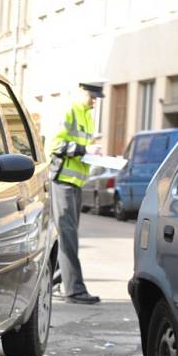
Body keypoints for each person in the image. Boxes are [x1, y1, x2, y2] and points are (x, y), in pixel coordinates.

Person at [49, 82, 104, 304]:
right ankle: (74, 290)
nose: (94, 100)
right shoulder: (69, 110)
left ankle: (56, 282)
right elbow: (55, 146)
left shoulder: (87, 115)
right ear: (81, 90)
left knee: (66, 235)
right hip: (62, 181)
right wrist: (85, 150)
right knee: (67, 235)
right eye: (92, 95)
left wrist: (93, 153)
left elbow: (80, 147)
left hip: (74, 183)